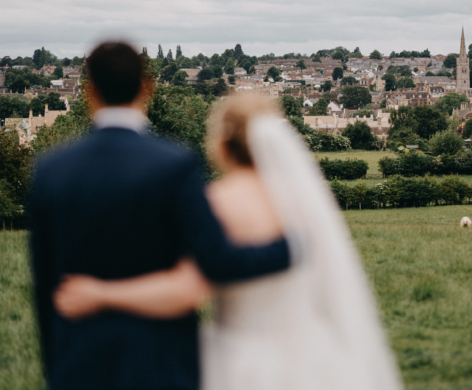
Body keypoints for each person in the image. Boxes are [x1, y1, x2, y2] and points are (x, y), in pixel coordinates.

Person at [53, 95, 405, 390]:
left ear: (222, 142)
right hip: (314, 356)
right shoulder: (304, 201)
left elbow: (187, 291)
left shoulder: (220, 202)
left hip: (243, 360)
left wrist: (100, 294)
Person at [28, 42, 291, 390]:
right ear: (146, 87)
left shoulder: (49, 170)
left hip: (79, 359)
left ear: (89, 91)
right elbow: (216, 261)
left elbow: (45, 284)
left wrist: (57, 365)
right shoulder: (175, 165)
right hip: (160, 360)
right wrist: (289, 249)